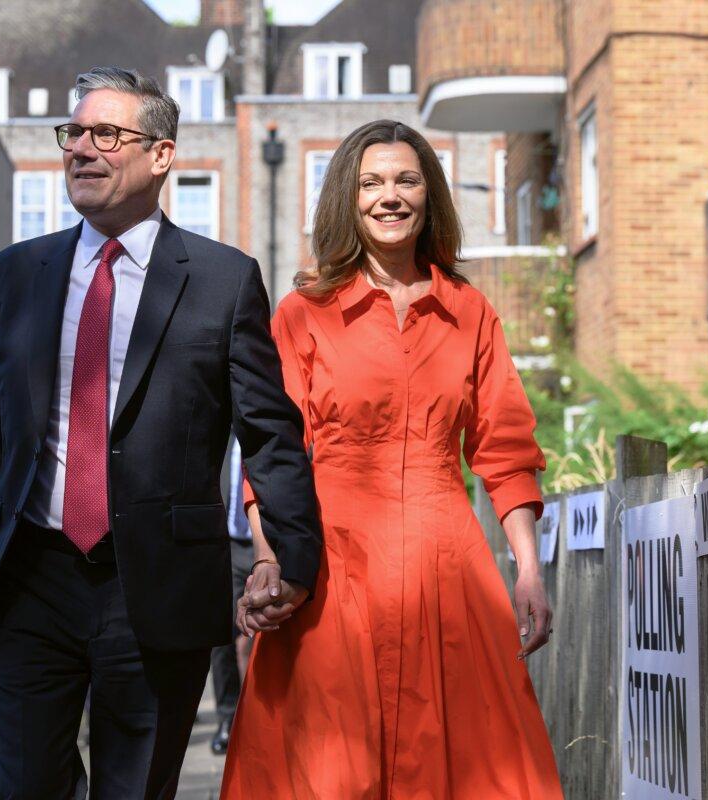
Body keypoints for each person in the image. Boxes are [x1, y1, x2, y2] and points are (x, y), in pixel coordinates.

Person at [0, 66, 320, 800]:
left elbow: (269, 434)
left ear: (161, 155)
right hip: (28, 579)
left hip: (158, 588)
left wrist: (289, 558)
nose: (80, 149)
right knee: (26, 787)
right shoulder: (16, 274)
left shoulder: (224, 280)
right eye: (73, 133)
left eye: (105, 134)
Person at [221, 120, 562, 799]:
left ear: (429, 195)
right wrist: (269, 558)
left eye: (406, 180)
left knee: (469, 761)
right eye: (371, 182)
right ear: (347, 200)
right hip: (332, 563)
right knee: (328, 763)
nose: (390, 196)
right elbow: (272, 455)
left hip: (447, 563)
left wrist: (528, 570)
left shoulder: (471, 313)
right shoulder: (303, 314)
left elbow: (504, 449)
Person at [208, 438, 254, 755]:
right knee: (221, 635)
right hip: (228, 545)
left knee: (257, 638)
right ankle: (227, 716)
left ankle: (260, 717)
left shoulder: (267, 433)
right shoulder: (222, 438)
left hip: (267, 546)